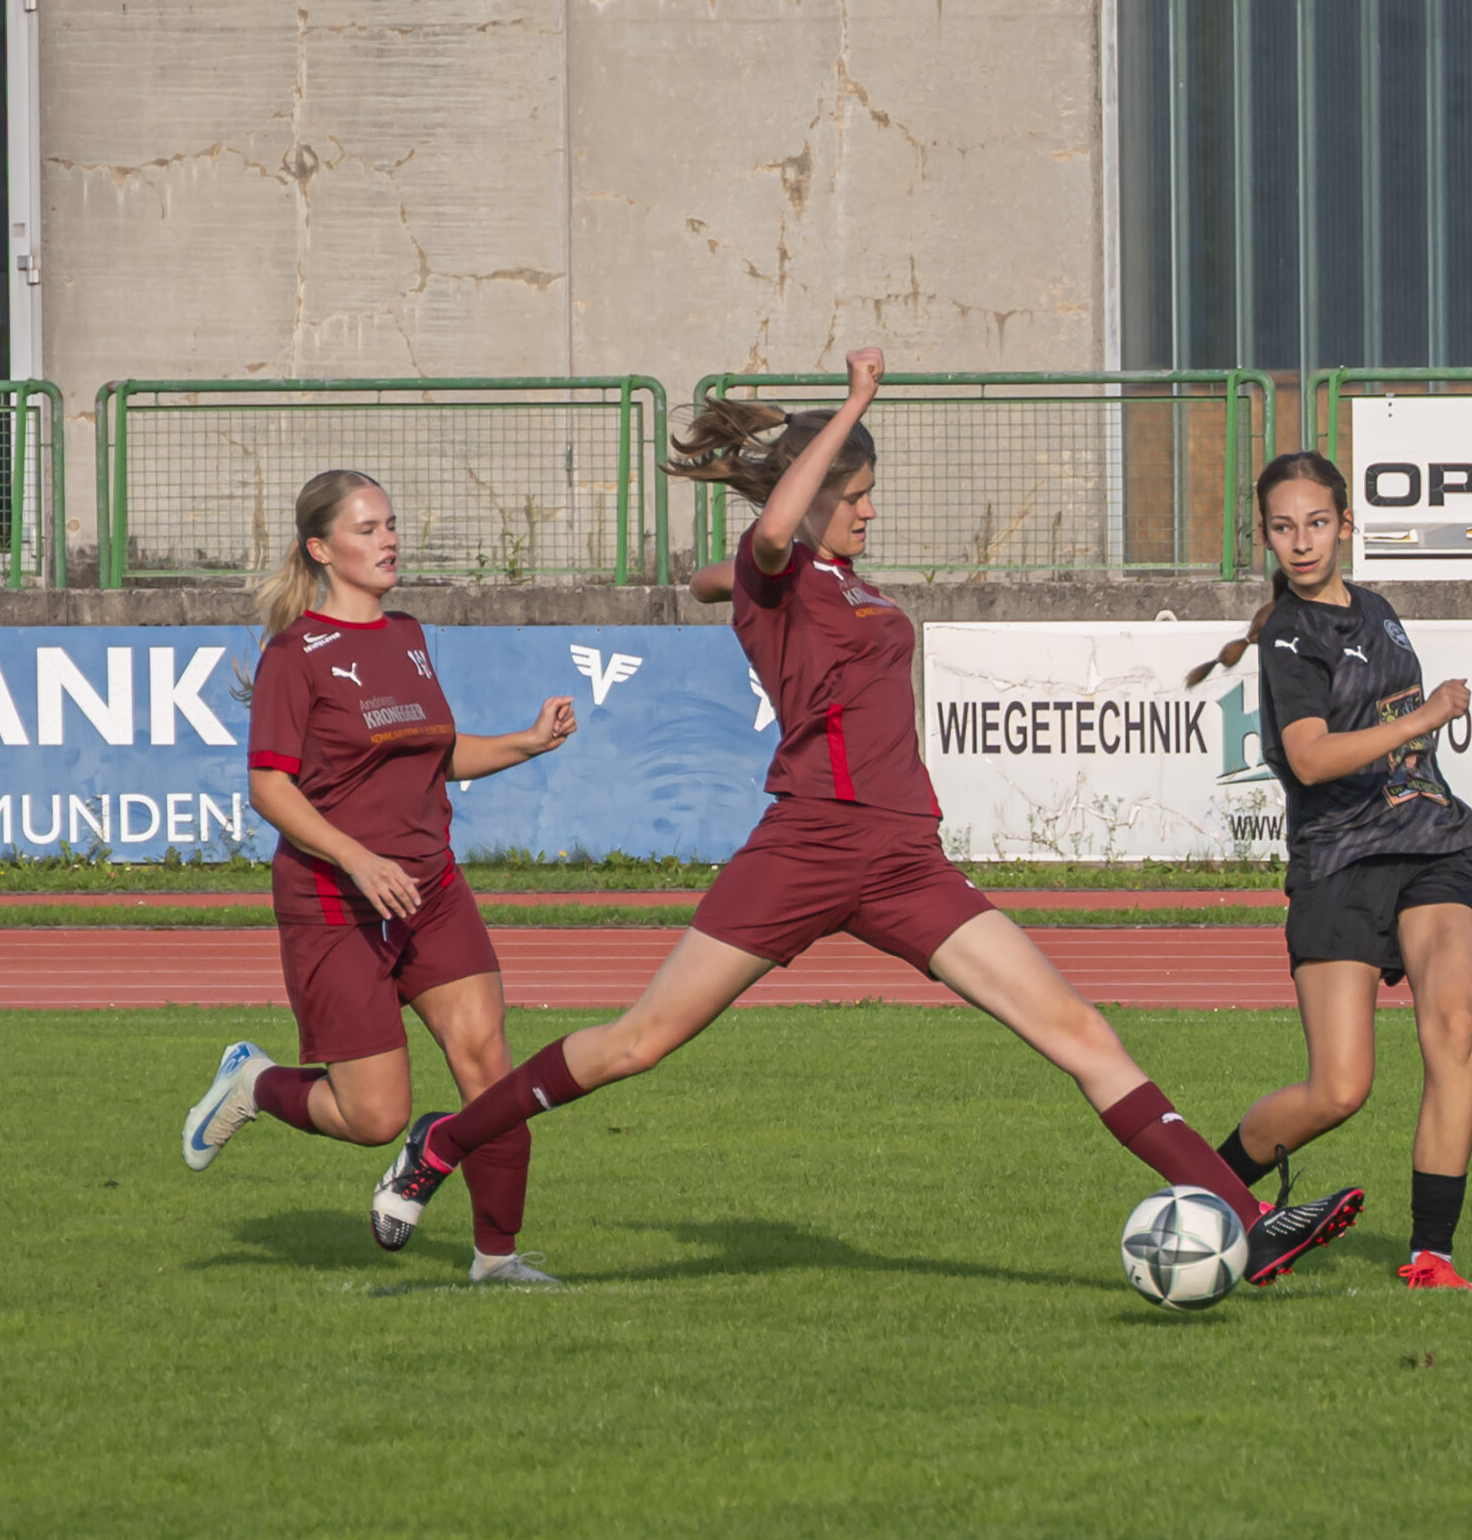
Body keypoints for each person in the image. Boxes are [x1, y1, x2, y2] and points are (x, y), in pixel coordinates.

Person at [368, 351, 1365, 1291]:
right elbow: (763, 547)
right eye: (854, 495)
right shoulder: (777, 564)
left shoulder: (832, 583)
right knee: (639, 1042)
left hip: (901, 858)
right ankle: (444, 1142)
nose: (870, 510)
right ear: (810, 497)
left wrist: (726, 577)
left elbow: (726, 573)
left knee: (1079, 1032)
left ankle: (1246, 1222)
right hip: (807, 844)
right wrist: (851, 407)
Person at [179, 468, 579, 1287]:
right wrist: (357, 858)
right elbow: (269, 787)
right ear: (321, 549)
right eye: (366, 529)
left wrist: (525, 742)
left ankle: (496, 1259)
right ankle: (255, 1082)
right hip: (336, 901)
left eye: (390, 524)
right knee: (374, 1116)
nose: (388, 540)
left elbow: (435, 755)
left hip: (431, 890)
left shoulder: (406, 634)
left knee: (490, 1070)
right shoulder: (295, 655)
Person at [1185, 452, 1472, 1290]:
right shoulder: (1288, 638)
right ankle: (1203, 1194)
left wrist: (1417, 736)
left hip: (1432, 845)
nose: (1302, 541)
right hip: (1338, 860)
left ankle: (1431, 1255)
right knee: (1340, 1089)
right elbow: (1312, 759)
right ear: (1264, 534)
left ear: (1345, 525)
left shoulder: (1379, 610)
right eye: (1284, 527)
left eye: (1317, 523)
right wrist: (1424, 718)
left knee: (1455, 1029)